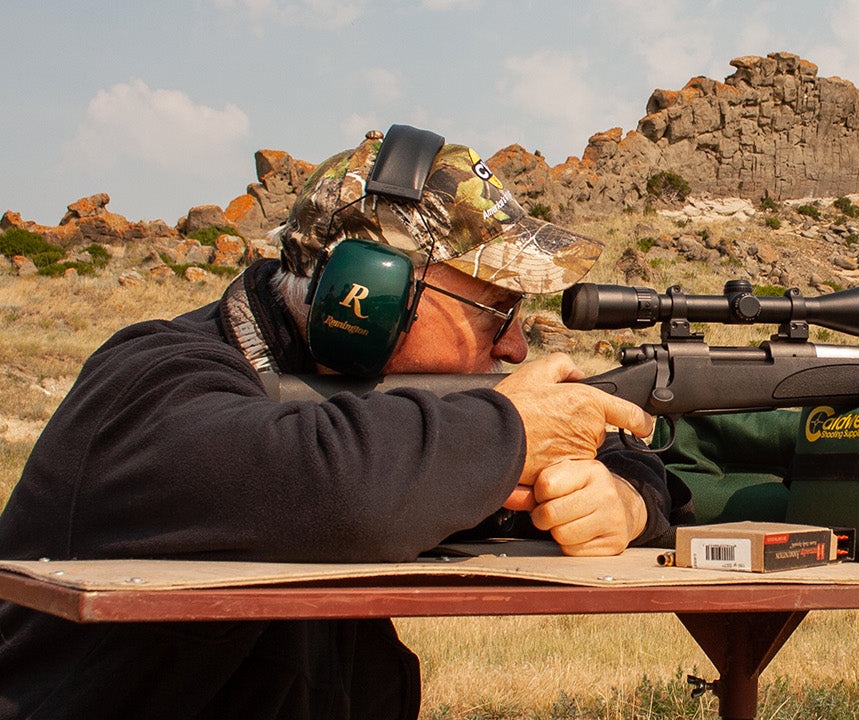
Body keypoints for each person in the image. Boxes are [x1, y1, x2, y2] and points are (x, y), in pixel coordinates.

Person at [0, 126, 687, 719]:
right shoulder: (150, 385)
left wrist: (622, 502)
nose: (513, 348)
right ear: (369, 296)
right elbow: (343, 491)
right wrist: (508, 433)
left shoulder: (393, 425)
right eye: (496, 312)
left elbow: (611, 459)